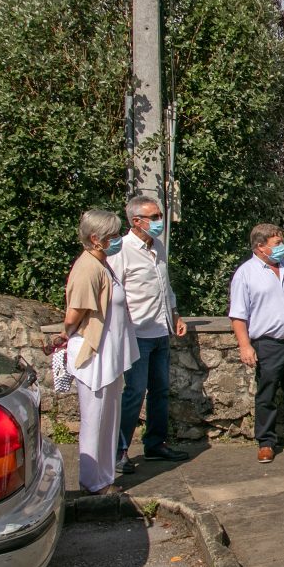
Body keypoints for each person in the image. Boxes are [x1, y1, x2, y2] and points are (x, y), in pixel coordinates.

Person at [108, 196, 189, 474]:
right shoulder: (122, 251)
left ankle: (155, 444)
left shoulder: (159, 247)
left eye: (159, 215)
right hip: (136, 334)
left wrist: (175, 314)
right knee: (133, 393)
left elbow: (165, 286)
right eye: (153, 217)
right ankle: (119, 451)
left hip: (160, 329)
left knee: (160, 391)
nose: (159, 221)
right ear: (136, 222)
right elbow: (113, 291)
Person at [61, 209, 139, 495]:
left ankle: (104, 478)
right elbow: (75, 313)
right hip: (94, 356)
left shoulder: (102, 264)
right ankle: (92, 482)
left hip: (110, 355)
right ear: (96, 239)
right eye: (114, 235)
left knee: (108, 419)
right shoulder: (87, 268)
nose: (118, 239)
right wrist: (63, 333)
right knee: (94, 420)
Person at [229, 223, 284, 463]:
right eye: (276, 243)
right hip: (268, 344)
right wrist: (244, 345)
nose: (281, 247)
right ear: (260, 247)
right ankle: (266, 442)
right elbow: (238, 315)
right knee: (267, 394)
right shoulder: (245, 274)